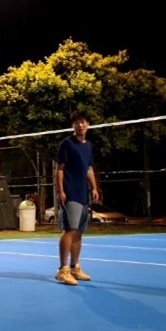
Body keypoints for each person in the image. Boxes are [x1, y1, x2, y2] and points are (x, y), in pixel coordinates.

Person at [54, 111, 100, 286]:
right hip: (71, 192)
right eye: (78, 122)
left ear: (88, 124)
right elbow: (59, 169)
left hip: (83, 194)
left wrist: (94, 187)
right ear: (73, 125)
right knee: (70, 230)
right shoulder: (67, 144)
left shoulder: (88, 146)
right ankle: (62, 270)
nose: (81, 125)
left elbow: (89, 169)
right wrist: (61, 191)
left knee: (79, 232)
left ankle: (74, 267)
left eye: (84, 122)